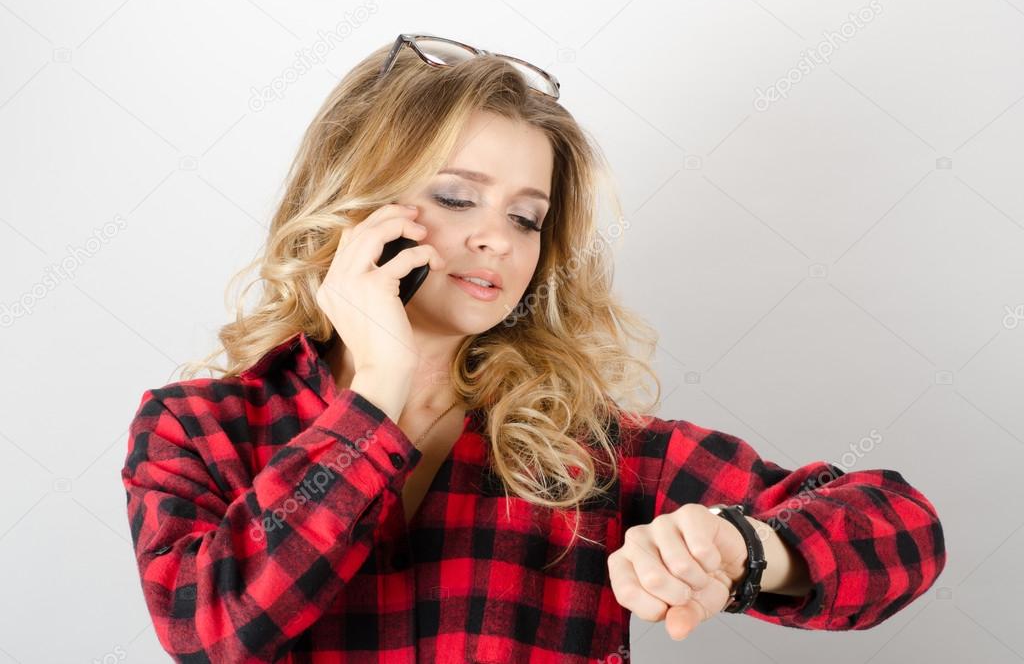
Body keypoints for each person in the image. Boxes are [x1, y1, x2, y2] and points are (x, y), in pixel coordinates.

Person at [120, 33, 946, 663]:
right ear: (349, 207)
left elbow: (901, 527)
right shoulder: (198, 427)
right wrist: (376, 389)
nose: (498, 241)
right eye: (456, 198)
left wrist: (743, 549)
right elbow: (212, 626)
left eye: (525, 217)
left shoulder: (587, 451)